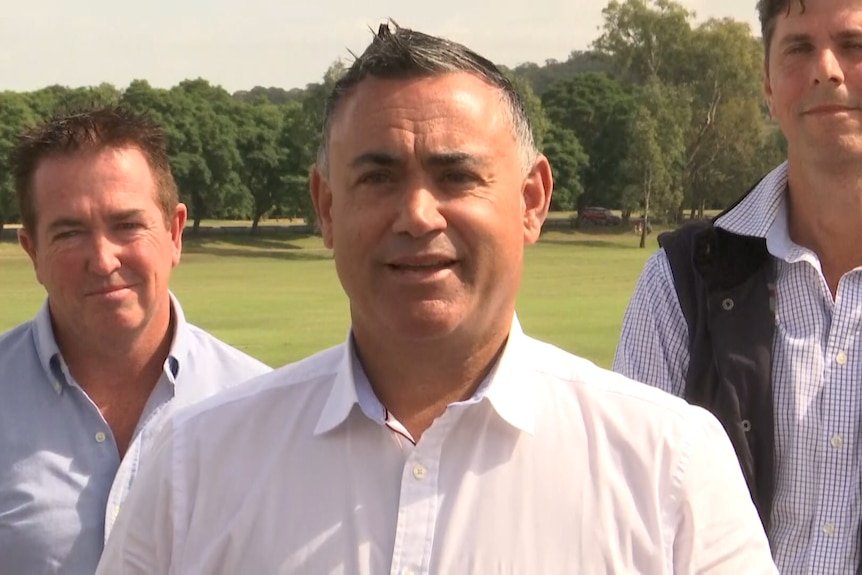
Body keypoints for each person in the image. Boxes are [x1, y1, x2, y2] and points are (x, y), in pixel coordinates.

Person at [98, 24, 776, 574]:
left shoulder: (668, 464)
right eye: (379, 178)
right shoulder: (194, 461)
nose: (418, 214)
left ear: (532, 200)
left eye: (457, 176)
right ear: (326, 207)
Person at [613, 0, 862, 572]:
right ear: (768, 86)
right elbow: (625, 516)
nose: (827, 68)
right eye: (799, 48)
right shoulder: (681, 284)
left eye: (853, 45)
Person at [0, 107, 271, 574]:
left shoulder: (266, 408)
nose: (103, 260)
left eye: (127, 225)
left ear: (174, 233)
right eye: (69, 232)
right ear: (33, 253)